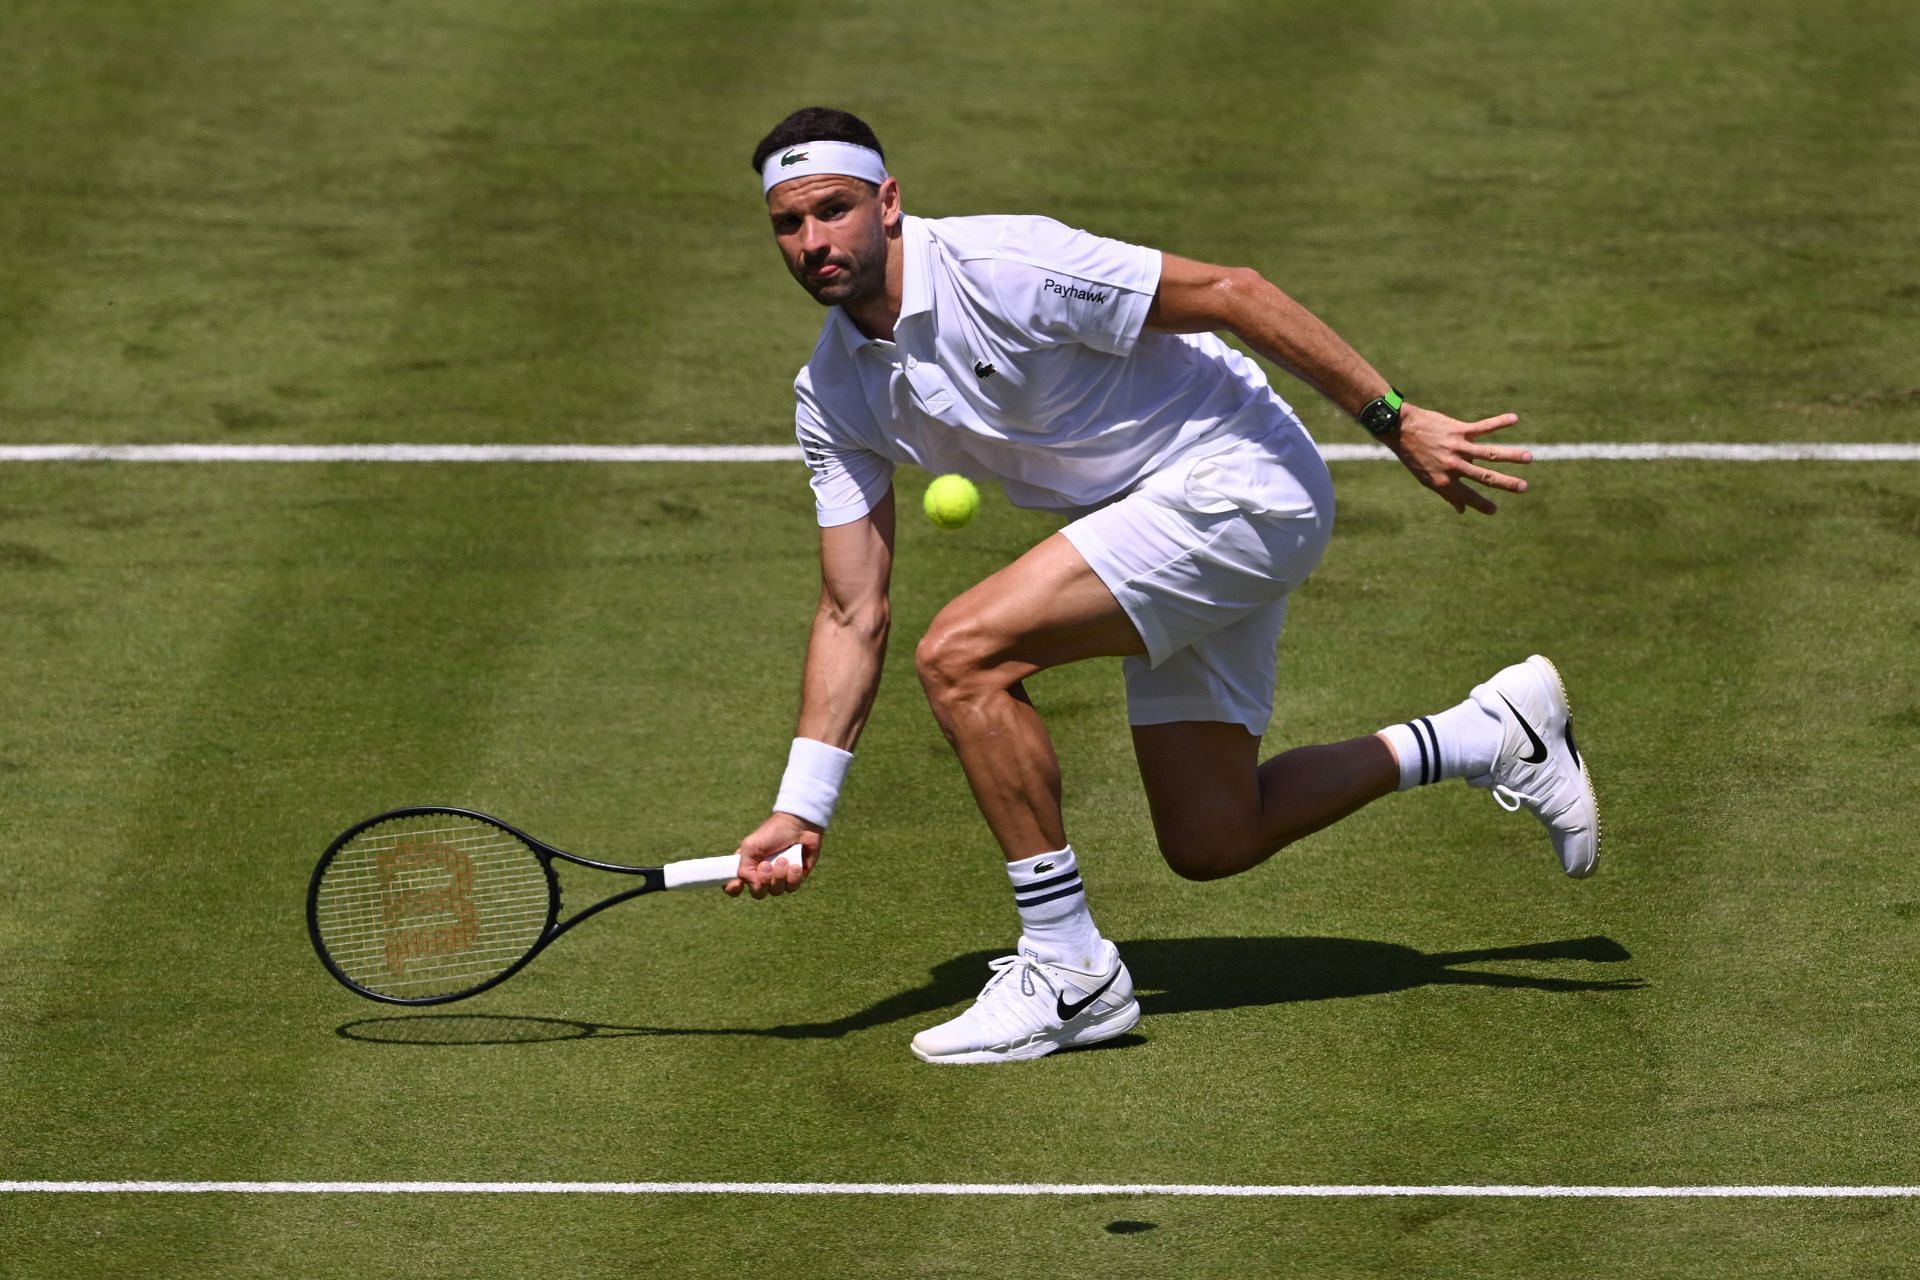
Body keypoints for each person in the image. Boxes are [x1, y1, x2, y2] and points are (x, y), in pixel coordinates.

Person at [724, 107, 1599, 1064]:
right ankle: (1489, 734)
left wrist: (1395, 421)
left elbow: (1233, 291)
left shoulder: (1007, 266)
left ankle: (1069, 971)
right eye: (788, 224)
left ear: (888, 204)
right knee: (1215, 834)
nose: (813, 243)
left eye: (833, 211)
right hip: (1149, 522)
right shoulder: (833, 393)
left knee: (961, 654)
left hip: (1238, 482)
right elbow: (852, 610)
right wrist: (803, 804)